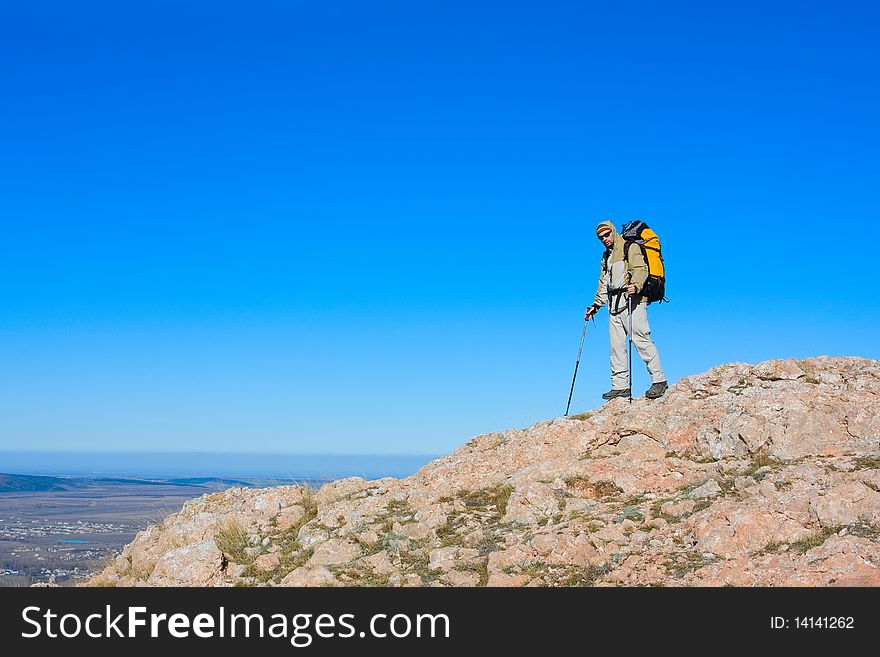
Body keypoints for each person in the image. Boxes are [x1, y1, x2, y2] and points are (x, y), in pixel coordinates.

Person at [584, 220, 668, 399]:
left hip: (633, 301)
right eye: (601, 238)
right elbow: (604, 282)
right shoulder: (606, 256)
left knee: (640, 339)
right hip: (614, 305)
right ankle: (620, 385)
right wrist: (596, 306)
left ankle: (659, 380)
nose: (605, 239)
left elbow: (641, 269)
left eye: (607, 234)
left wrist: (636, 286)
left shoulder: (630, 247)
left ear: (613, 231)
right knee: (616, 346)